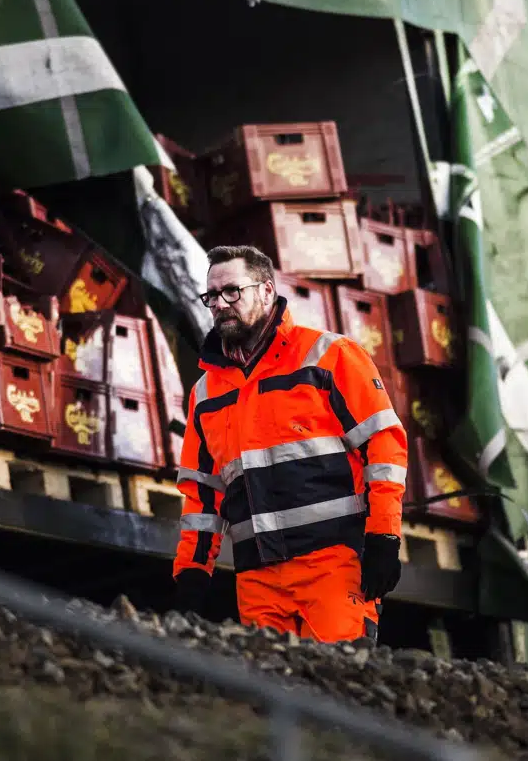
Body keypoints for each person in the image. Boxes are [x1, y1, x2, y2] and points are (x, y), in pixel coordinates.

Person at [171, 244, 408, 644]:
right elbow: (202, 495)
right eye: (211, 296)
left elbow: (383, 448)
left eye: (232, 291)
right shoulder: (205, 394)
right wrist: (193, 570)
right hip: (258, 580)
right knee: (270, 699)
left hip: (333, 568)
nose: (219, 304)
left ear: (266, 291)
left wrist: (384, 536)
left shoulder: (330, 357)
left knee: (339, 689)